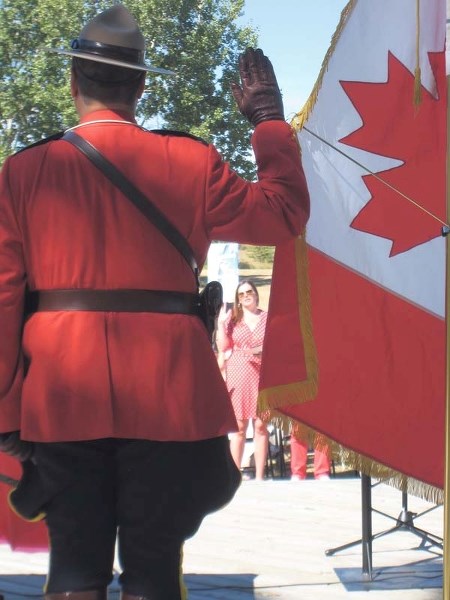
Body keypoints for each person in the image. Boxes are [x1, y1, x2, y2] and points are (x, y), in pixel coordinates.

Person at [0, 4, 310, 599]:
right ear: (141, 86)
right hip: (167, 395)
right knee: (154, 570)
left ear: (72, 82)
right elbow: (283, 213)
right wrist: (268, 120)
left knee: (72, 570)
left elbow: (5, 299)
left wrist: (8, 411)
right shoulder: (190, 162)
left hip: (61, 396)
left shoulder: (23, 172)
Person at [216, 280, 269, 481]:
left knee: (261, 425)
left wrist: (256, 350)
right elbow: (223, 346)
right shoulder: (234, 320)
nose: (245, 296)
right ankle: (234, 477)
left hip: (263, 372)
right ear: (237, 300)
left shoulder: (267, 318)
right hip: (239, 371)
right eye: (241, 294)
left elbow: (274, 343)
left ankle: (259, 477)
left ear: (255, 294)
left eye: (248, 292)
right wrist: (221, 325)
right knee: (239, 427)